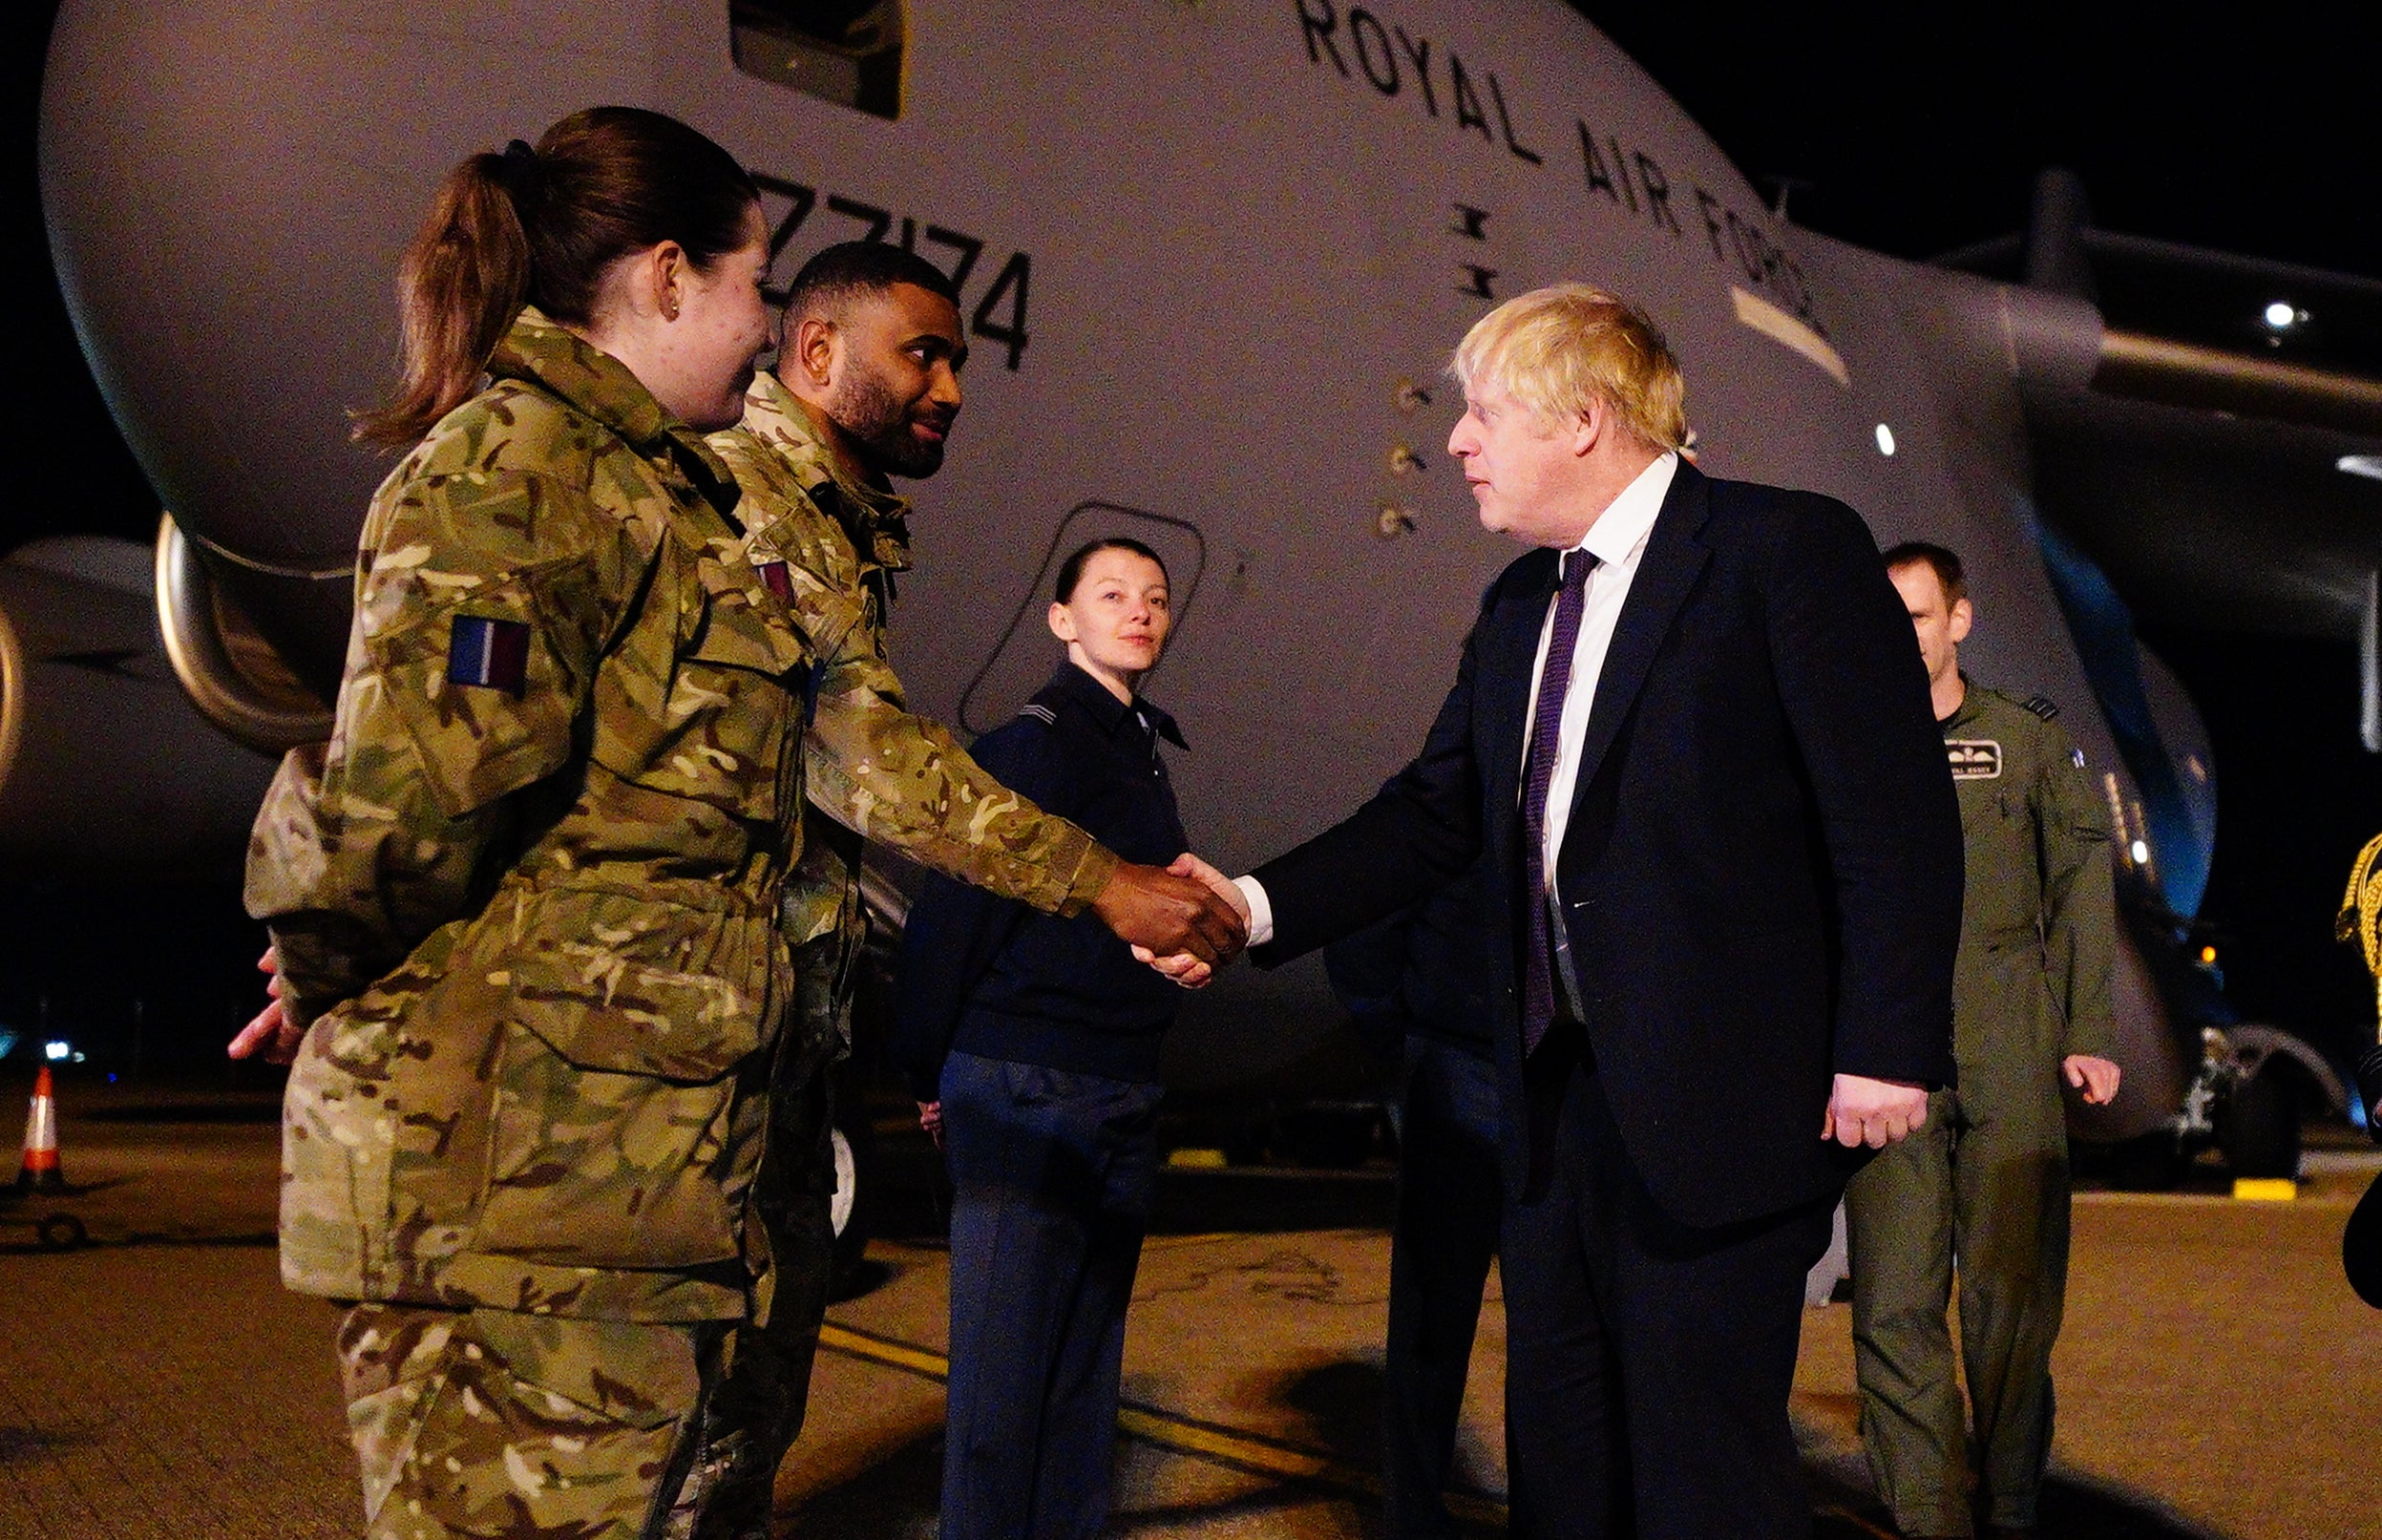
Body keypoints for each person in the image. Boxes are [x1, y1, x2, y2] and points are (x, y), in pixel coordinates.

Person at [229, 110, 1234, 1540]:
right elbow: (409, 806)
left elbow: (797, 744)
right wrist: (320, 951)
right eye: (758, 286)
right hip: (516, 1177)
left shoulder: (674, 495)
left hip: (637, 1163)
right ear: (665, 277)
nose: (765, 329)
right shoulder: (531, 474)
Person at [1184, 283, 1964, 1539]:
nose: (1456, 442)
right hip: (1546, 1114)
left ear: (1584, 419)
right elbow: (1431, 813)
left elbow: (1889, 817)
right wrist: (1250, 904)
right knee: (1562, 1469)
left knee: (1700, 1477)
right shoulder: (1515, 610)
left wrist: (1882, 1042)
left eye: (1485, 412)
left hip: (1721, 1114)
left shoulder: (1782, 553)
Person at [892, 538, 1191, 1540]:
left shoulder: (1136, 750)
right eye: (1110, 594)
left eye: (1152, 598)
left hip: (1115, 1084)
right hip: (1025, 1080)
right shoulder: (1033, 748)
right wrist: (927, 1065)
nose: (1137, 611)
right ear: (1062, 619)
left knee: (1078, 1378)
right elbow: (949, 923)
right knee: (1001, 1384)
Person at [1845, 542, 2120, 1540]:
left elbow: (2079, 887)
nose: (1895, 636)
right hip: (1886, 1044)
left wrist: (2086, 1030)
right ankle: (1924, 1514)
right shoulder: (1846, 744)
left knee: (2008, 1301)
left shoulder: (2024, 741)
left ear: (1956, 621)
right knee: (1890, 1295)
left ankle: (2005, 1501)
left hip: (2007, 1030)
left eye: (1914, 616)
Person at [1324, 864, 1506, 1539]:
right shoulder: (1451, 790)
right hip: (1461, 1058)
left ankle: (1421, 1509)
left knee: (1544, 1320)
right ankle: (1414, 1512)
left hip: (1499, 1056)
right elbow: (1360, 932)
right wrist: (1404, 1039)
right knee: (1435, 1311)